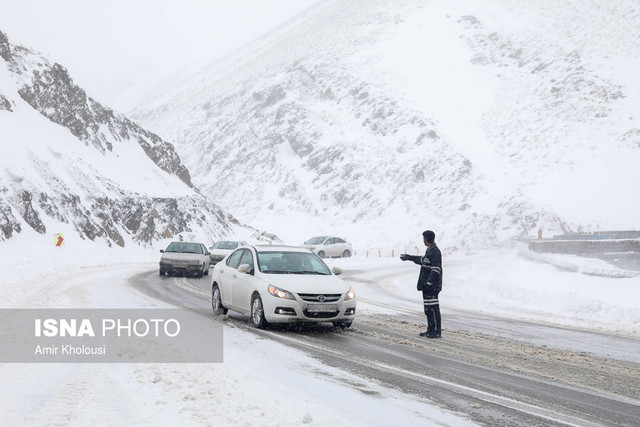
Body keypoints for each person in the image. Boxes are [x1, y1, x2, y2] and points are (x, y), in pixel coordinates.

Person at [400, 230, 442, 338]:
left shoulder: (435, 251)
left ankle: (436, 331)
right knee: (428, 309)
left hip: (432, 287)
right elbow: (422, 260)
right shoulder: (430, 251)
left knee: (433, 309)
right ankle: (430, 329)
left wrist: (429, 282)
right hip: (427, 286)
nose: (423, 240)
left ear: (427, 239)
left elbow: (436, 269)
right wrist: (409, 257)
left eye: (424, 238)